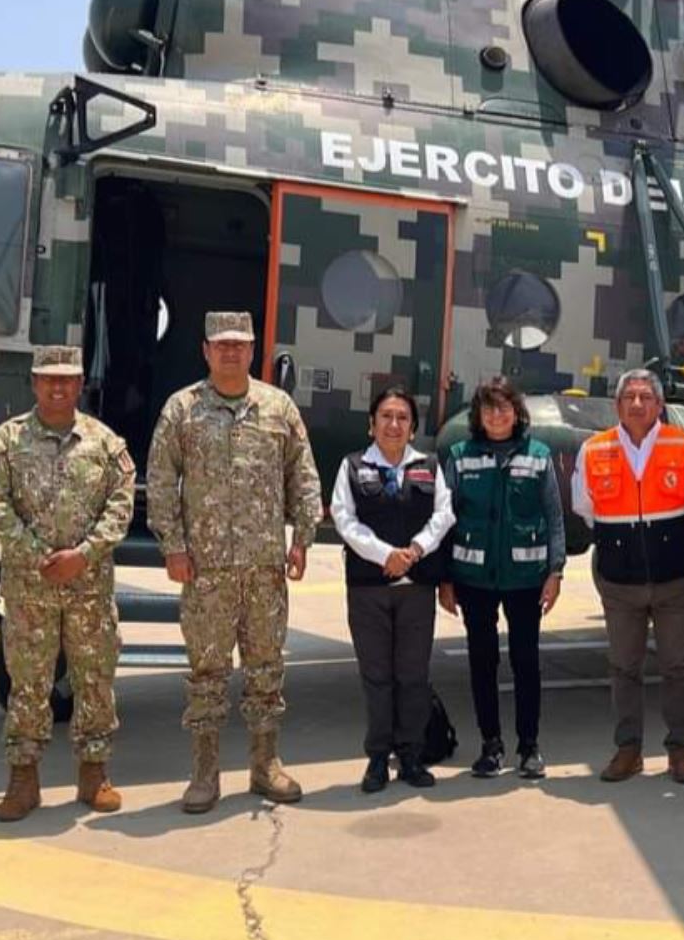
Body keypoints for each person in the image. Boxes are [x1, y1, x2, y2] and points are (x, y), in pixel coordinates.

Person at [147, 312, 322, 814]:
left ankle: (265, 765)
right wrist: (173, 546)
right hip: (204, 571)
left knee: (267, 669)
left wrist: (303, 537)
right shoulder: (182, 409)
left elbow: (302, 474)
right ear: (205, 350)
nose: (230, 352)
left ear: (252, 351)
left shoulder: (277, 407)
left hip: (265, 566)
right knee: (207, 673)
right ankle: (204, 774)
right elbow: (161, 481)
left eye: (240, 345)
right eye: (221, 345)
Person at [0, 345, 136, 821]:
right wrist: (39, 554)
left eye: (67, 379)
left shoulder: (105, 444)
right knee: (27, 683)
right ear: (34, 383)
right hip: (31, 590)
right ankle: (23, 780)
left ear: (80, 383)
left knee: (95, 680)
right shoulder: (5, 443)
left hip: (89, 589)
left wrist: (83, 555)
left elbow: (121, 505)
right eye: (48, 379)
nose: (58, 387)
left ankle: (94, 774)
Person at [571, 369, 684, 785]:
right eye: (628, 396)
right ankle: (628, 749)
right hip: (618, 580)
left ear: (659, 404)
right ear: (616, 405)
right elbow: (585, 506)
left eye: (645, 396)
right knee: (623, 667)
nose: (636, 404)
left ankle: (680, 750)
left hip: (673, 579)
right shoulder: (593, 449)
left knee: (676, 666)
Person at [329, 387, 456, 793]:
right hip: (369, 589)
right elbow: (344, 521)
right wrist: (386, 555)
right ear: (372, 424)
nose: (394, 424)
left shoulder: (429, 467)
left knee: (413, 677)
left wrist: (416, 550)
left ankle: (412, 756)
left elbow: (444, 514)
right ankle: (378, 759)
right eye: (386, 416)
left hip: (416, 589)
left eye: (403, 418)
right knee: (377, 677)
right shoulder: (352, 467)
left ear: (413, 428)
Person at [439, 376, 566, 779]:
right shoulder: (460, 456)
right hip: (473, 579)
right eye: (489, 408)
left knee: (526, 663)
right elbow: (443, 520)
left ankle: (529, 747)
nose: (497, 415)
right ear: (478, 414)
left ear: (517, 412)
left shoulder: (538, 455)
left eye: (504, 407)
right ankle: (490, 745)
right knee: (483, 662)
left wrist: (555, 571)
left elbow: (554, 516)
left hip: (526, 578)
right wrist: (445, 579)